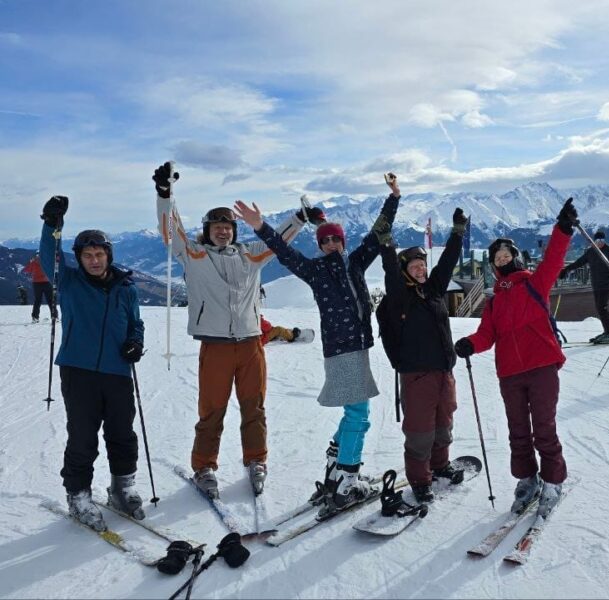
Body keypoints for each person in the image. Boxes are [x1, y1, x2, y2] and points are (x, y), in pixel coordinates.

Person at [233, 174, 400, 512]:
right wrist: (261, 227)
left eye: (335, 240)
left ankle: (336, 465)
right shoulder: (315, 271)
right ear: (320, 246)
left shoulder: (356, 262)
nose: (331, 245)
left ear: (343, 241)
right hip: (342, 349)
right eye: (325, 242)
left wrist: (394, 198)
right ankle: (346, 481)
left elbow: (378, 230)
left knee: (354, 411)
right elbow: (283, 252)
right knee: (359, 414)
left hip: (358, 347)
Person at [153, 162, 305, 498]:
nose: (224, 231)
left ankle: (257, 460)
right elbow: (170, 231)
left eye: (229, 227)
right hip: (216, 346)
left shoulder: (250, 254)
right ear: (207, 230)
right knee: (212, 411)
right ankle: (204, 466)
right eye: (217, 227)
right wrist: (165, 194)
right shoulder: (192, 254)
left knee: (255, 407)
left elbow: (277, 242)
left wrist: (299, 219)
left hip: (251, 344)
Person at [454, 198, 577, 518]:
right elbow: (486, 335)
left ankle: (552, 482)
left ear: (516, 258)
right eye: (498, 257)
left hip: (541, 367)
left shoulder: (536, 284)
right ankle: (527, 480)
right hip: (510, 373)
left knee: (544, 428)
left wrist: (562, 230)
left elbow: (553, 259)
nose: (503, 259)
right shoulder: (494, 303)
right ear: (494, 266)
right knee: (518, 430)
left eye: (507, 255)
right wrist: (469, 343)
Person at [38, 195, 145, 532]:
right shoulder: (68, 281)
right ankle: (78, 495)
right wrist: (52, 225)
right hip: (79, 371)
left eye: (100, 255)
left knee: (122, 433)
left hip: (117, 372)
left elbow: (135, 324)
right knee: (83, 436)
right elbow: (47, 256)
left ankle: (122, 486)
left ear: (108, 256)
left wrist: (135, 342)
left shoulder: (125, 288)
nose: (95, 260)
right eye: (88, 255)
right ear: (79, 258)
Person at [378, 207, 468, 503]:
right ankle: (419, 478)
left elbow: (447, 263)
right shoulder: (398, 298)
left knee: (444, 423)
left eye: (422, 265)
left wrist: (457, 233)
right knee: (420, 431)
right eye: (414, 266)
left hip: (444, 371)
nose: (420, 270)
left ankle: (439, 465)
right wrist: (387, 243)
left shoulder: (433, 290)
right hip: (417, 375)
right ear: (405, 269)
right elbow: (390, 270)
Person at [559, 230, 609, 343]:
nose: (600, 242)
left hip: (606, 284)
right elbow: (579, 262)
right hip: (596, 284)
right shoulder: (591, 251)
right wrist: (566, 269)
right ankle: (608, 331)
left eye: (602, 240)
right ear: (594, 241)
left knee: (602, 307)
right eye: (597, 240)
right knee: (599, 307)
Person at [22, 252, 58, 323]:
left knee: (37, 301)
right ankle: (54, 317)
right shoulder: (46, 261)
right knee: (51, 300)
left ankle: (35, 317)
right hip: (47, 282)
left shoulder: (34, 262)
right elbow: (54, 269)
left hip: (36, 283)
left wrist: (30, 262)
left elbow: (26, 270)